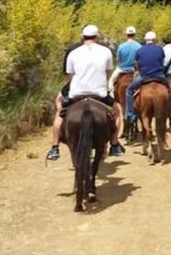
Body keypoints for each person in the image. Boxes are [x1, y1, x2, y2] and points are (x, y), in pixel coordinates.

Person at [47, 25, 124, 160]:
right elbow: (107, 73)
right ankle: (114, 143)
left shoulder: (73, 53)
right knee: (117, 112)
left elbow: (70, 75)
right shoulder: (106, 51)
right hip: (99, 92)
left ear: (82, 36)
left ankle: (55, 147)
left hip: (76, 92)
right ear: (97, 36)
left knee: (60, 110)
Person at [124, 31, 167, 122]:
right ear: (154, 40)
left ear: (145, 40)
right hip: (159, 76)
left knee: (129, 90)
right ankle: (169, 110)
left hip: (144, 76)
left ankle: (130, 113)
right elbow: (162, 63)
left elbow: (137, 65)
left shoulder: (139, 50)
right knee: (169, 89)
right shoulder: (160, 49)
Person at [109, 26, 141, 94]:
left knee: (110, 82)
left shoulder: (121, 46)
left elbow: (118, 59)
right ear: (135, 35)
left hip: (122, 69)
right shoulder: (139, 46)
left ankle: (112, 97)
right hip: (134, 71)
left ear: (126, 35)